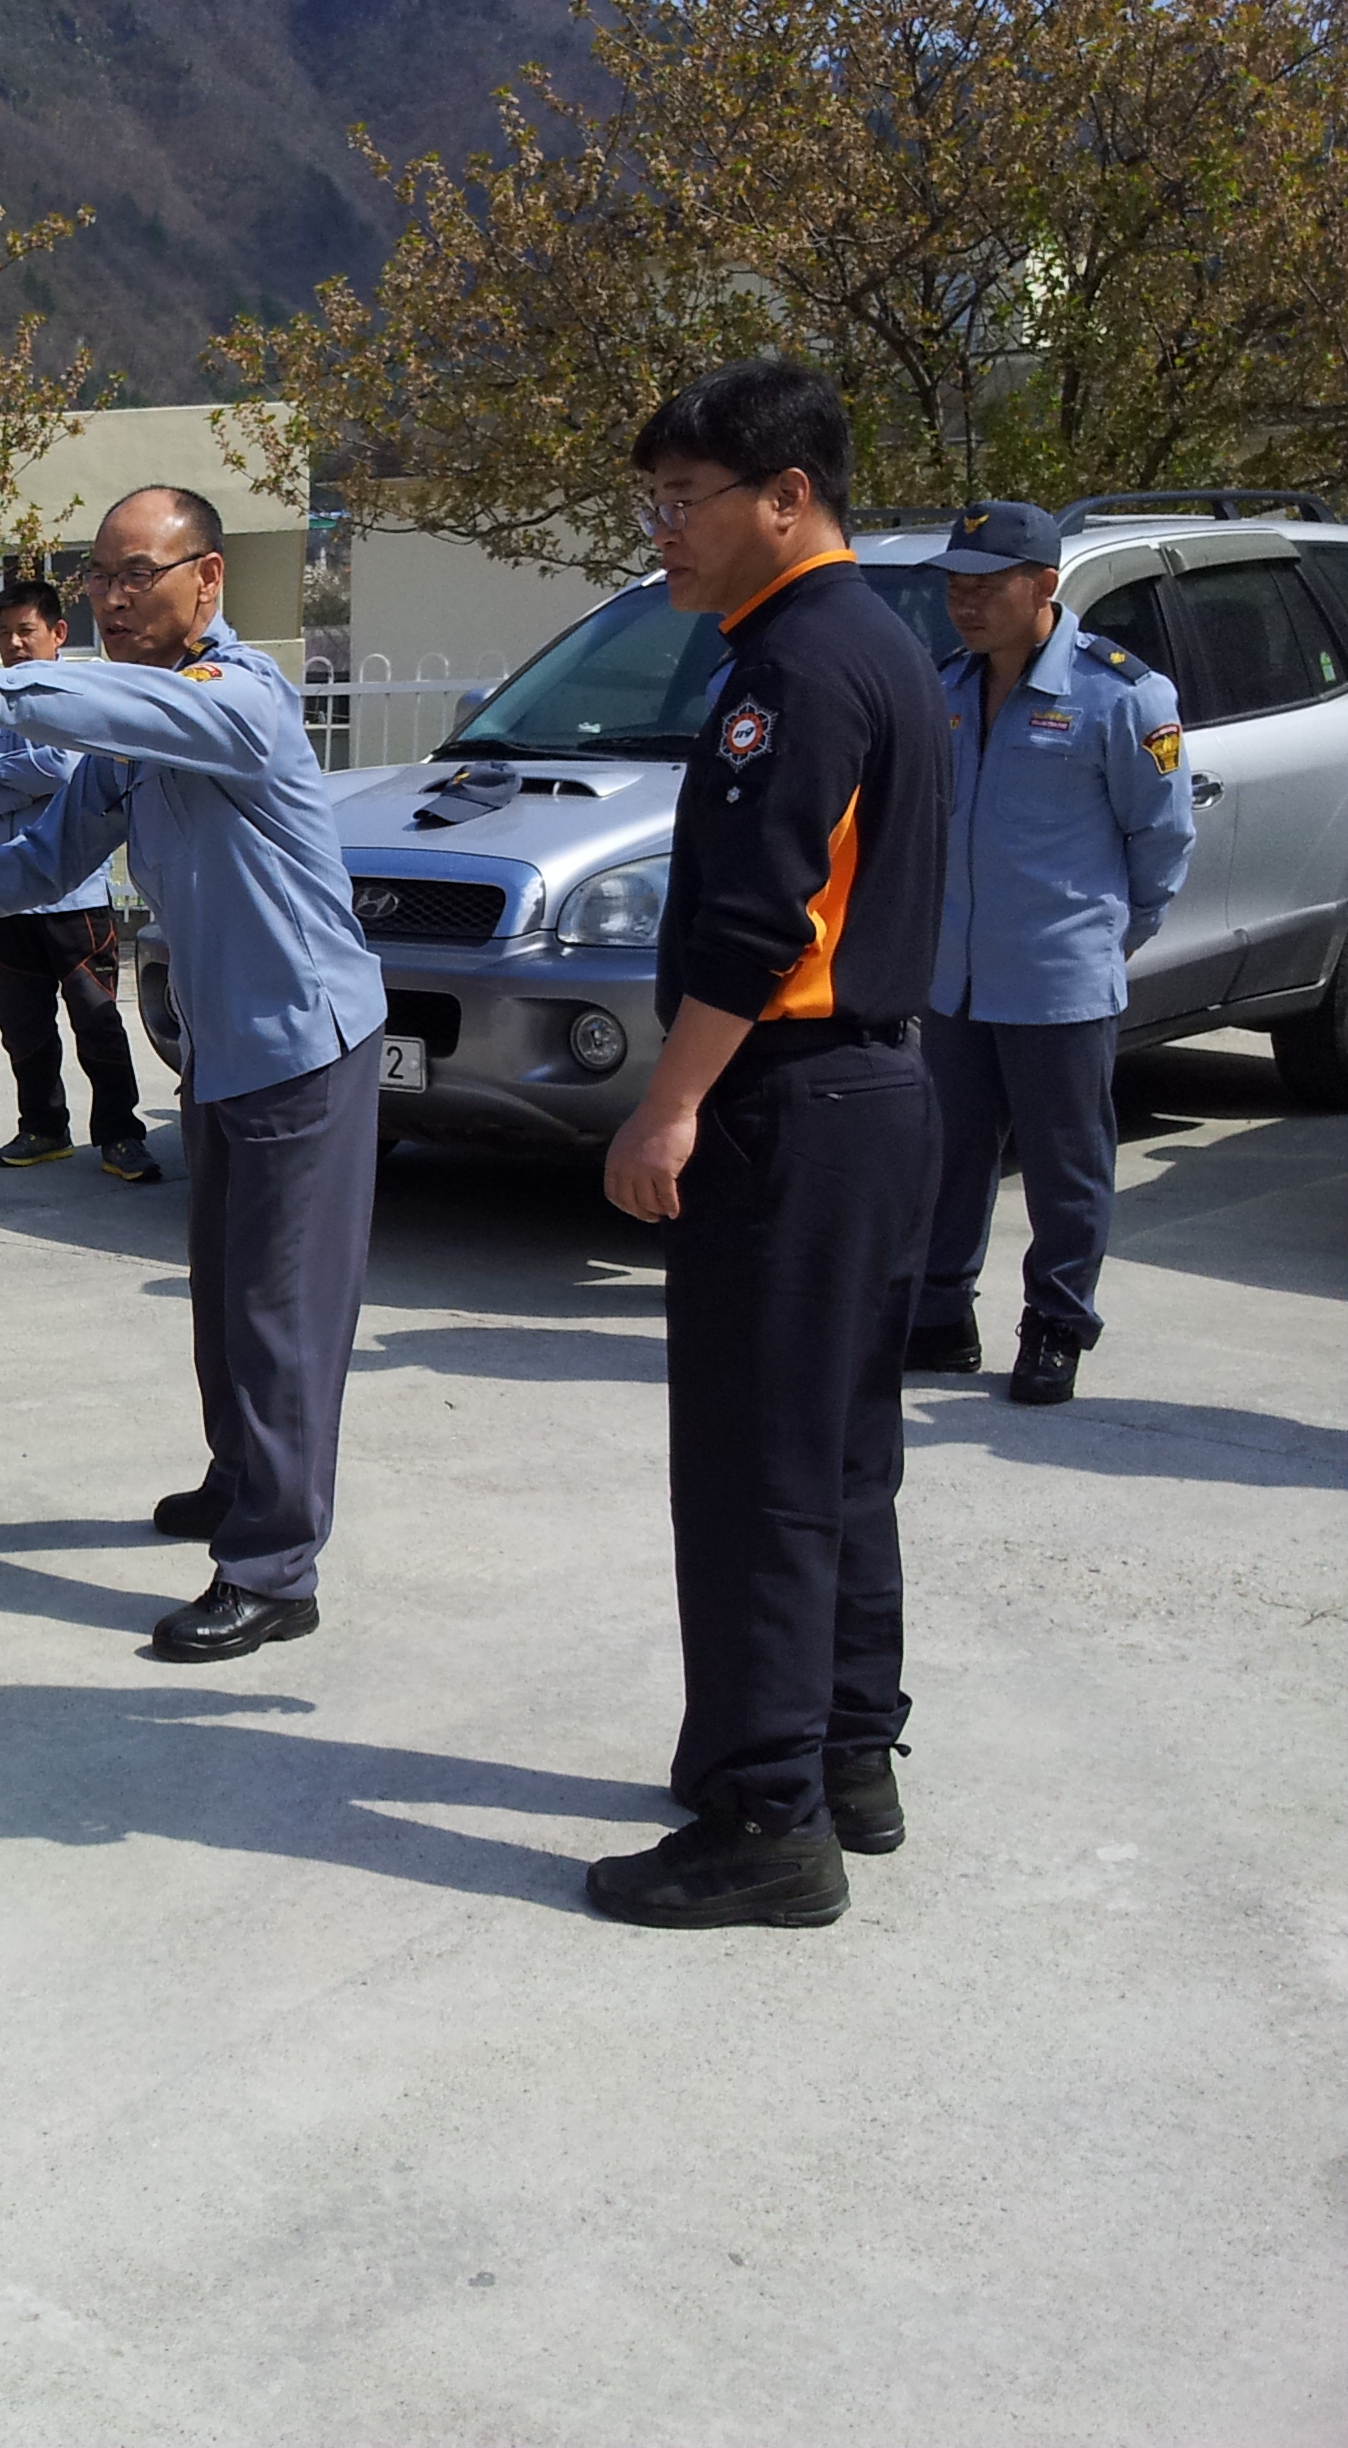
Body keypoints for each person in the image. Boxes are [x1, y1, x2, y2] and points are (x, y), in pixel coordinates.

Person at [0, 486, 388, 1662]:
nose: (113, 597)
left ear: (208, 580)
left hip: (303, 1049)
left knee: (283, 1314)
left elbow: (134, 704)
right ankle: (244, 1478)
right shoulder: (136, 731)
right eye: (100, 575)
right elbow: (48, 854)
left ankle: (276, 1569)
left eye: (138, 573)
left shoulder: (239, 699)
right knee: (226, 1299)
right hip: (223, 1052)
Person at [589, 360, 949, 1930]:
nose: (664, 531)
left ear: (786, 498)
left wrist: (669, 1102)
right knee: (841, 1458)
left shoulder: (794, 667)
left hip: (789, 1103)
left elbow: (762, 921)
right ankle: (846, 1751)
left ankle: (766, 1819)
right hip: (876, 1099)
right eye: (656, 503)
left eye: (686, 501)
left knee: (757, 1476)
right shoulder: (880, 643)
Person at [905, 500, 1192, 1407]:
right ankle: (940, 1316)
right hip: (956, 978)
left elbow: (1162, 839)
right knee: (948, 1156)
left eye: (987, 586)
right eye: (955, 586)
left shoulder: (1121, 695)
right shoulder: (945, 688)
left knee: (1067, 1168)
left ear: (1044, 586)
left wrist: (1108, 937)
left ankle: (1057, 1325)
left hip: (1058, 978)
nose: (965, 603)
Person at [0, 575, 160, 1182]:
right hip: (5, 896)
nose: (14, 644)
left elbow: (65, 767)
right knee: (23, 1025)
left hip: (75, 896)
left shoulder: (76, 696)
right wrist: (22, 778)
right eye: (4, 634)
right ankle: (43, 1128)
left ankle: (120, 1135)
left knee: (96, 1020)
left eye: (26, 631)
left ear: (58, 633)